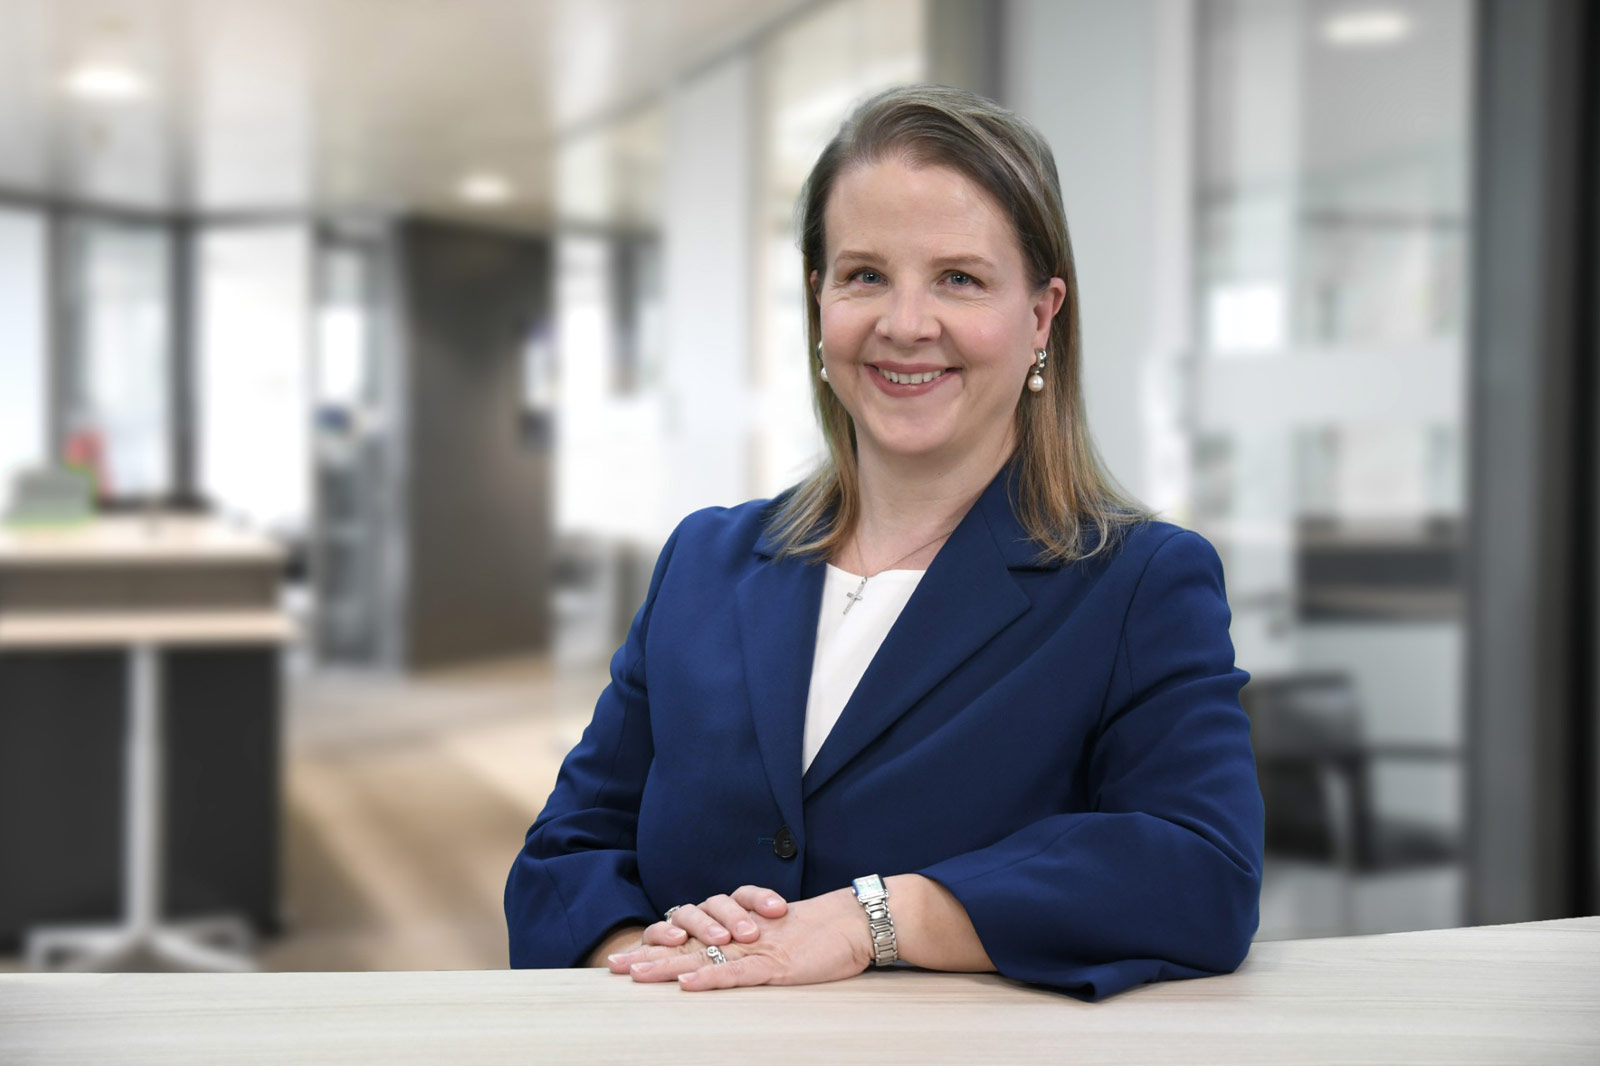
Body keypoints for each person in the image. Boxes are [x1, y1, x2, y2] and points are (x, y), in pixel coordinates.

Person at [505, 84, 1263, 1001]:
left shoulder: (1138, 582)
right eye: (865, 275)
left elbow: (1200, 870)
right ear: (819, 301)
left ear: (1041, 317)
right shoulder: (705, 562)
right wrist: (652, 962)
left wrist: (872, 920)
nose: (905, 324)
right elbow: (567, 850)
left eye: (960, 278)